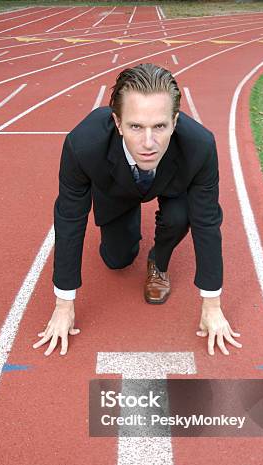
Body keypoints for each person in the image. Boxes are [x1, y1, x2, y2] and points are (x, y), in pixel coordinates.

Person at [33, 63, 242, 357]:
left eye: (160, 126)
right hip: (115, 187)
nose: (148, 143)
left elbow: (207, 221)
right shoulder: (83, 146)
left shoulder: (201, 146)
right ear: (117, 122)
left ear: (175, 121)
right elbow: (70, 218)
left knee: (181, 217)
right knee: (117, 259)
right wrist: (63, 305)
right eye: (135, 127)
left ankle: (159, 259)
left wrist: (213, 305)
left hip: (171, 185)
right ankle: (127, 222)